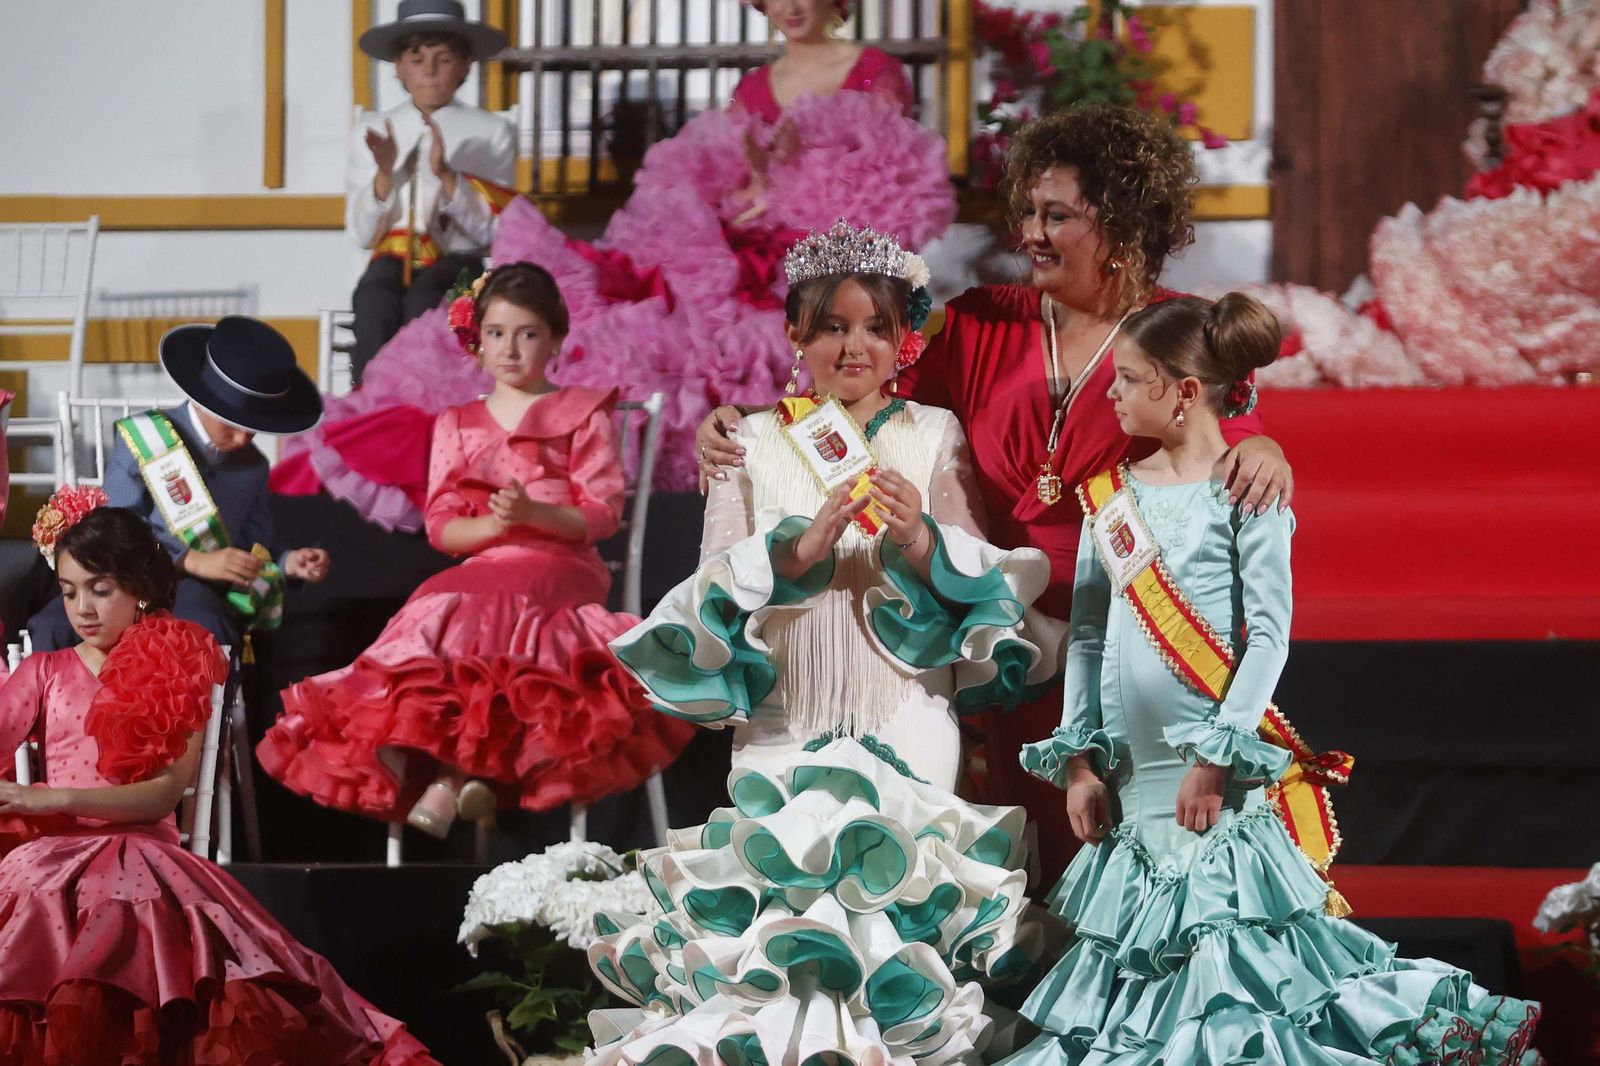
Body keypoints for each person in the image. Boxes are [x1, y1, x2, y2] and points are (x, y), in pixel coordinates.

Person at [698, 105, 1294, 879]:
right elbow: (857, 388)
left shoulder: (1178, 327)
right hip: (996, 626)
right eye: (1028, 211)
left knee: (1138, 863)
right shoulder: (978, 322)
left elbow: (1223, 429)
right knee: (1022, 860)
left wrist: (1269, 446)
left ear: (1121, 220)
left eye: (1058, 215)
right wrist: (741, 429)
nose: (1031, 233)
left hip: (1124, 623)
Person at [1002, 293, 1539, 1064]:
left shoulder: (1246, 493)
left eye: (1126, 379)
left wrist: (1217, 755)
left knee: (1237, 975)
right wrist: (1079, 765)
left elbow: (1269, 636)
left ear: (1183, 391)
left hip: (1210, 785)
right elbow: (1086, 639)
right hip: (1131, 788)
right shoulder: (1106, 502)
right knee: (1137, 982)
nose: (1108, 395)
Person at [584, 221, 1058, 1065]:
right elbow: (711, 580)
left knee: (899, 906)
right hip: (786, 713)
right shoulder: (750, 441)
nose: (855, 346)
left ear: (905, 336)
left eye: (876, 326)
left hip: (906, 703)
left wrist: (918, 539)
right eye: (833, 326)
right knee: (788, 924)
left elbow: (979, 576)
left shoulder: (934, 433)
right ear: (794, 334)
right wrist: (799, 550)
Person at [271, 0, 955, 528]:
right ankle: (472, 421)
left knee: (721, 332)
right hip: (734, 241)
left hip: (817, 253)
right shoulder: (757, 83)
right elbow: (741, 175)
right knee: (601, 291)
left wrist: (788, 209)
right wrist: (749, 198)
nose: (789, 5)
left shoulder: (874, 71)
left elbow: (887, 185)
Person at [258, 264, 693, 840]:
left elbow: (602, 514)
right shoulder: (458, 423)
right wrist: (495, 524)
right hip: (488, 564)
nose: (509, 348)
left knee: (487, 600)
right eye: (495, 333)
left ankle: (441, 775)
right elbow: (442, 528)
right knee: (434, 597)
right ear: (477, 340)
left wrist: (534, 516)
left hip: (562, 563)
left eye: (527, 333)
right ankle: (469, 773)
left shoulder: (584, 412)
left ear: (556, 338)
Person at [0, 505, 439, 1063]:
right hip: (52, 861)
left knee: (127, 921)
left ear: (138, 588)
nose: (82, 608)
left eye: (100, 589)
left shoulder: (178, 657)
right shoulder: (44, 670)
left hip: (143, 853)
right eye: (68, 592)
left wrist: (43, 797)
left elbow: (161, 795)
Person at [27, 316, 330, 653]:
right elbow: (115, 532)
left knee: (208, 625)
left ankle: (207, 707)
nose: (244, 438)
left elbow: (255, 545)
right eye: (231, 423)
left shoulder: (253, 467)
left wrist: (289, 562)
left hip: (191, 589)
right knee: (51, 626)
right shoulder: (145, 439)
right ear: (202, 400)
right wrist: (190, 560)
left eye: (253, 427)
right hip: (121, 575)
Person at [347, 0, 516, 382]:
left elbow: (497, 232)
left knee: (427, 298)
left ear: (466, 66)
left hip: (459, 262)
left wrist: (447, 177)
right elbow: (360, 234)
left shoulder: (491, 132)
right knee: (373, 300)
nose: (429, 70)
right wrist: (384, 175)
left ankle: (425, 403)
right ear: (398, 67)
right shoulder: (372, 129)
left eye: (443, 58)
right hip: (390, 258)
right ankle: (372, 404)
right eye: (417, 58)